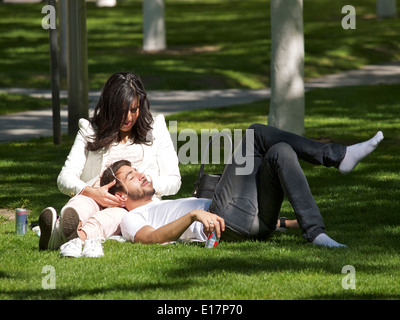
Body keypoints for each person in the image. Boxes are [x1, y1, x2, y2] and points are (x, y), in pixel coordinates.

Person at [50, 124, 383, 255]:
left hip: (253, 221)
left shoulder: (165, 201)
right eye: (131, 177)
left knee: (280, 153)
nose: (142, 175)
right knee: (253, 136)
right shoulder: (129, 220)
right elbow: (152, 238)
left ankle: (316, 232)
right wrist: (195, 213)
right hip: (226, 220)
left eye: (137, 170)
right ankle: (337, 156)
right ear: (121, 196)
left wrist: (286, 223)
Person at [38, 72, 181, 256]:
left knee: (114, 216)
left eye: (134, 109)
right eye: (122, 111)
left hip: (131, 203)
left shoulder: (156, 129)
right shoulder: (90, 130)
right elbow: (64, 178)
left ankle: (69, 237)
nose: (129, 117)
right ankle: (65, 227)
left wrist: (144, 184)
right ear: (109, 107)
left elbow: (174, 181)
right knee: (81, 203)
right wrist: (92, 192)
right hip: (95, 194)